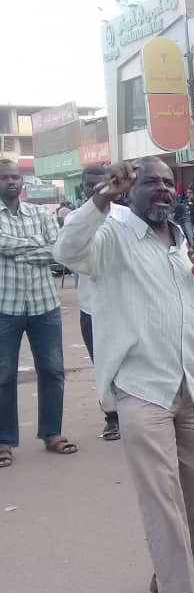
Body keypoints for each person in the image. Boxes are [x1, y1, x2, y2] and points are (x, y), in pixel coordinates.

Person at [53, 157, 194, 593]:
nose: (163, 190)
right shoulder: (111, 235)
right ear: (128, 191)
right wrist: (100, 199)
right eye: (151, 182)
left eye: (169, 183)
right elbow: (67, 249)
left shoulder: (183, 241)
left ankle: (175, 571)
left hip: (191, 383)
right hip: (141, 386)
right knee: (162, 492)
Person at [0, 157, 76, 470]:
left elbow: (58, 251)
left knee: (53, 370)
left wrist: (17, 249)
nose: (11, 182)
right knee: (3, 374)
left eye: (15, 177)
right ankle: (4, 441)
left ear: (22, 181)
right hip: (5, 306)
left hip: (45, 304)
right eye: (5, 178)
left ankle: (51, 433)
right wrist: (37, 247)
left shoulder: (40, 213)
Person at [74, 164, 121, 442]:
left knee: (127, 363)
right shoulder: (77, 221)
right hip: (90, 308)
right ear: (82, 188)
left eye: (101, 183)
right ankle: (112, 418)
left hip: (122, 305)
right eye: (90, 184)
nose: (96, 189)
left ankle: (132, 413)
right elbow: (59, 252)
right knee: (102, 365)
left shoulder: (124, 217)